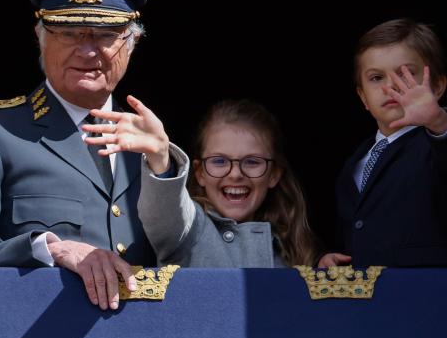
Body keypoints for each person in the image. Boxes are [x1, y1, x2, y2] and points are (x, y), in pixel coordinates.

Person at [0, 0, 154, 310]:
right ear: (40, 37)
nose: (88, 49)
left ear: (131, 42)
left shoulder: (150, 144)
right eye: (68, 33)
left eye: (106, 35)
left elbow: (190, 255)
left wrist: (165, 163)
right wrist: (52, 248)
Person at [84, 97, 320, 267]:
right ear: (199, 173)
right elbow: (167, 211)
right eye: (219, 161)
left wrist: (323, 272)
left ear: (274, 174)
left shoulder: (294, 246)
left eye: (252, 161)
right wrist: (160, 157)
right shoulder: (189, 228)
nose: (235, 174)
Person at [323, 19, 447, 268]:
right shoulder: (355, 162)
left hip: (423, 293)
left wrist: (436, 119)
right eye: (376, 77)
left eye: (404, 74)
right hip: (364, 298)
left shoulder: (434, 143)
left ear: (436, 86)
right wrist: (329, 256)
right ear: (363, 97)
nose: (390, 86)